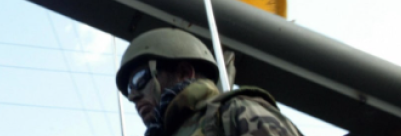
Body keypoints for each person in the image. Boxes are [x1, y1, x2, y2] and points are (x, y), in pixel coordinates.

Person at [116, 28, 303, 136]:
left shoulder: (234, 113)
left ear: (184, 73)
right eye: (129, 89)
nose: (133, 96)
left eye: (139, 79)